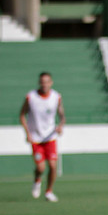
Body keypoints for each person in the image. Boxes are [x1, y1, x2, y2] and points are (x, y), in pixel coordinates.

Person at [19, 72, 65, 202]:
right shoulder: (31, 97)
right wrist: (27, 133)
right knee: (41, 167)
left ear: (51, 83)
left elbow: (62, 115)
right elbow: (22, 115)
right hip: (35, 138)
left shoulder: (56, 97)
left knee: (52, 166)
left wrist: (60, 125)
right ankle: (37, 180)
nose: (44, 84)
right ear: (39, 83)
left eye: (47, 82)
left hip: (50, 137)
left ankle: (49, 192)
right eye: (42, 82)